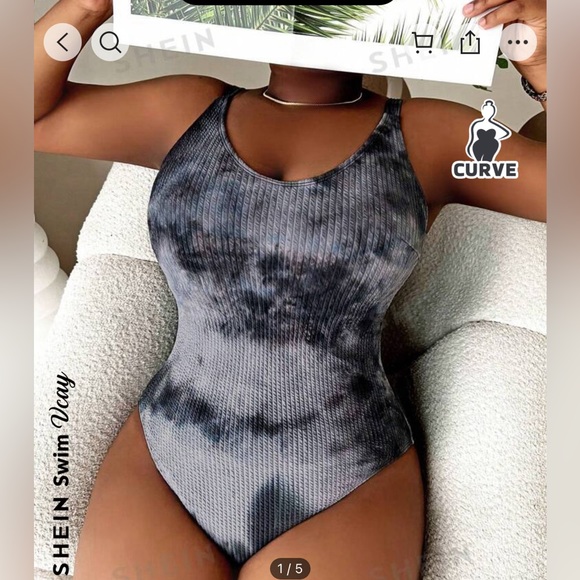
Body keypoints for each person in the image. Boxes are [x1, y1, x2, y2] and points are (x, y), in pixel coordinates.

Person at [34, 1, 547, 578]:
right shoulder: (185, 110)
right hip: (166, 457)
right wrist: (86, 7)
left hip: (345, 476)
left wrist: (544, 58)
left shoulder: (429, 134)